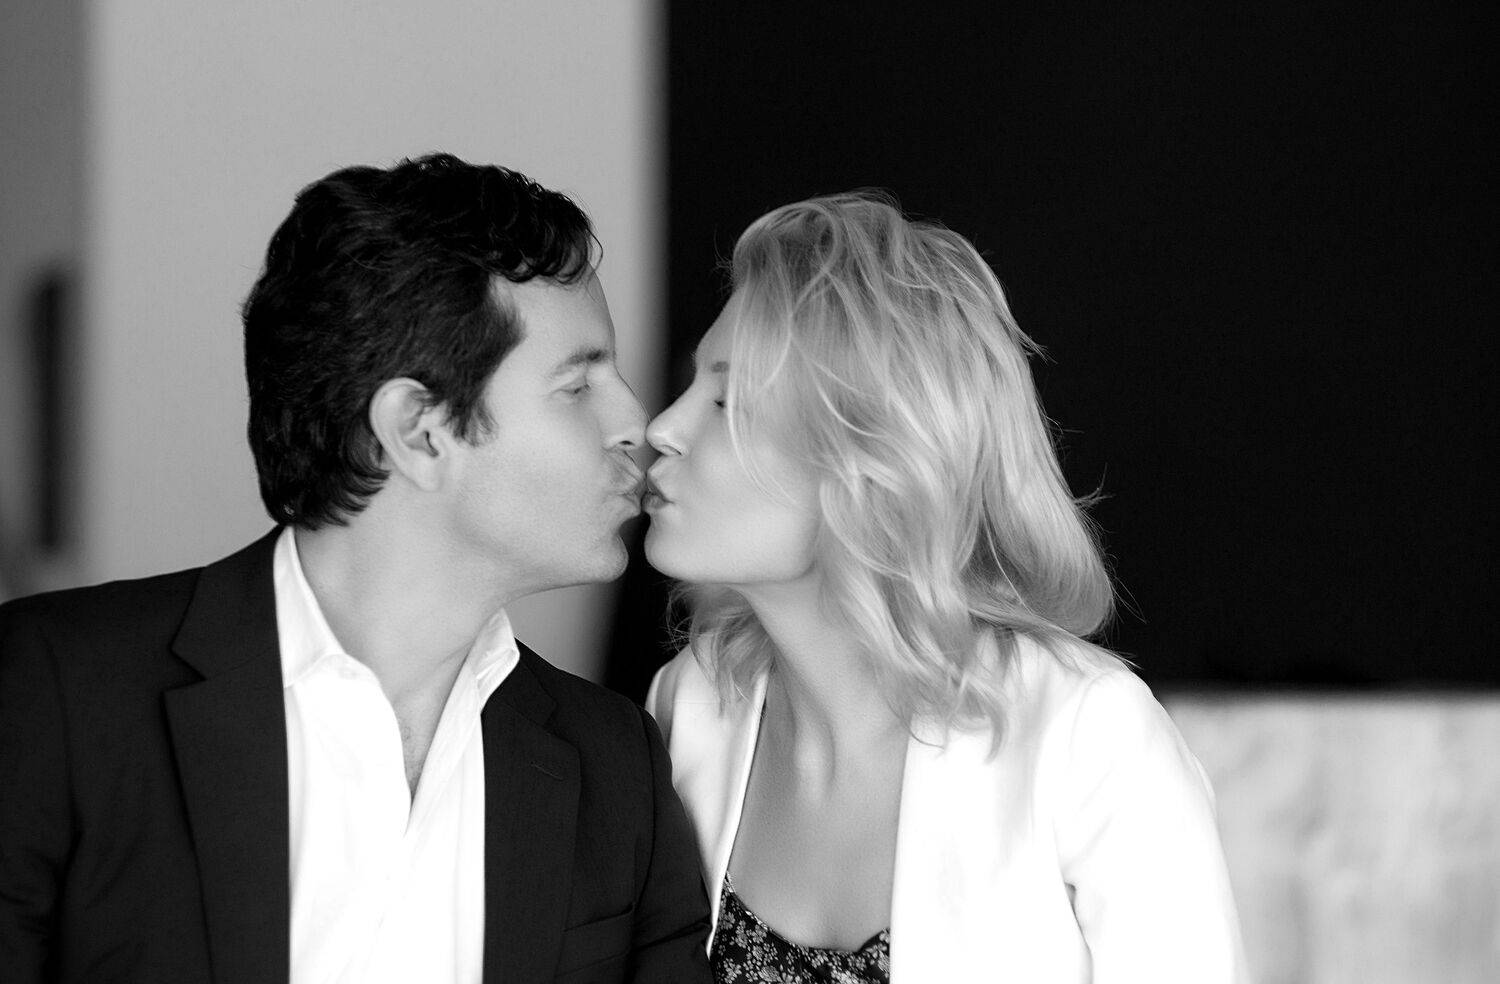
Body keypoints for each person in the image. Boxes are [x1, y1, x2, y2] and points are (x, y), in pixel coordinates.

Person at [0, 154, 711, 983]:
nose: (638, 423)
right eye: (578, 385)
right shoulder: (53, 692)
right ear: (418, 430)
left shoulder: (614, 762)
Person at [642, 192, 1249, 982]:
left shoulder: (1089, 736)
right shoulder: (689, 706)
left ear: (865, 461)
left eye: (725, 402)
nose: (662, 428)